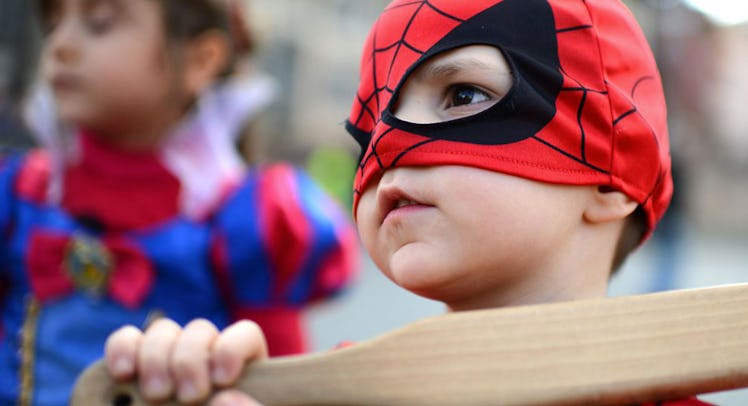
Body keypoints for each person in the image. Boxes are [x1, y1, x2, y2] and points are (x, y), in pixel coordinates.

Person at [104, 0, 710, 404]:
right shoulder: (336, 394)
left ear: (608, 174)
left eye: (464, 94)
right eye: (368, 129)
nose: (390, 143)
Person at [0, 0, 358, 404]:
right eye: (53, 23)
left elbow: (281, 389)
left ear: (200, 60)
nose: (60, 45)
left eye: (99, 23)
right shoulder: (16, 195)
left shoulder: (246, 220)